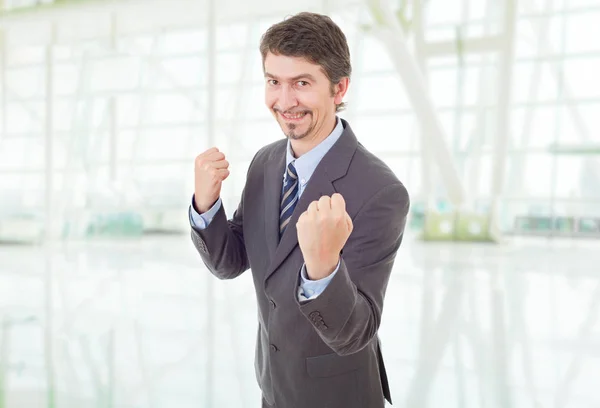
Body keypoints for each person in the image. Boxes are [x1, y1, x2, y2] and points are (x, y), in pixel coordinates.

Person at [189, 12, 409, 408]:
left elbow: (355, 332)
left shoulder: (381, 191)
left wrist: (323, 269)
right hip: (273, 387)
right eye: (274, 81)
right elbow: (231, 261)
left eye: (302, 83)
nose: (284, 101)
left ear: (339, 88)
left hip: (338, 396)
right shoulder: (265, 163)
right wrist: (206, 205)